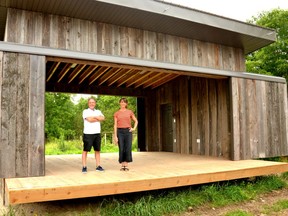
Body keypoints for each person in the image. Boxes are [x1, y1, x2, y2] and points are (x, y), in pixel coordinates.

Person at [114, 97, 138, 171]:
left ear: (126, 104)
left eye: (124, 102)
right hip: (120, 132)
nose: (123, 103)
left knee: (127, 148)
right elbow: (115, 125)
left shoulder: (129, 112)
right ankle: (122, 165)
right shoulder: (116, 113)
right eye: (121, 102)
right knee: (121, 148)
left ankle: (126, 165)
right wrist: (115, 136)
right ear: (119, 103)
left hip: (128, 131)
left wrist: (133, 128)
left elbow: (136, 121)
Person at [82, 97, 105, 173]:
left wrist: (94, 117)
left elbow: (103, 118)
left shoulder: (98, 111)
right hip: (88, 134)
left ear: (95, 103)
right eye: (90, 102)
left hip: (97, 133)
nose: (92, 104)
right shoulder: (85, 111)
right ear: (88, 103)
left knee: (97, 150)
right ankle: (84, 167)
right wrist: (97, 117)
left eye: (93, 102)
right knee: (85, 150)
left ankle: (98, 166)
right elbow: (89, 120)